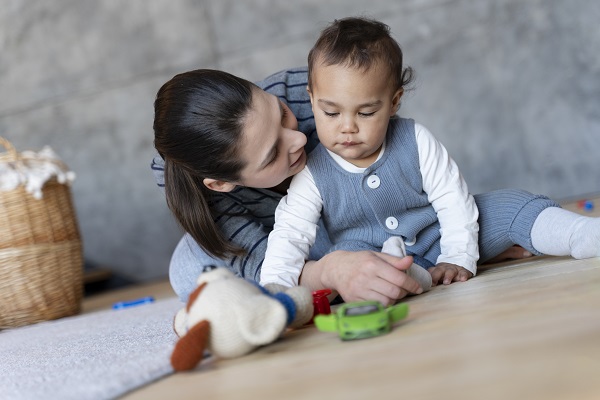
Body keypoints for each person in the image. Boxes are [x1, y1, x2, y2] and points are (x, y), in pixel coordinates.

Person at [152, 21, 599, 305]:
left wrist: (458, 248)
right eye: (273, 153)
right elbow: (281, 249)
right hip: (316, 241)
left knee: (499, 209)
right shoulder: (217, 194)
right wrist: (321, 274)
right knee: (196, 268)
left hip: (406, 220)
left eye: (283, 114)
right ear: (223, 184)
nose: (299, 139)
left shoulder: (322, 95)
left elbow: (428, 182)